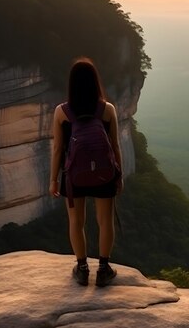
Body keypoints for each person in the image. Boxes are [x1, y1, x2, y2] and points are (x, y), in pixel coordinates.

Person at [49, 57, 123, 287]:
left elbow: (58, 149)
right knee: (105, 221)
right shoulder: (107, 109)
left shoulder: (62, 112)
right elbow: (115, 145)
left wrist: (53, 179)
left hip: (74, 177)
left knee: (76, 221)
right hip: (103, 174)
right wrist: (118, 176)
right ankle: (103, 269)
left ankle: (82, 269)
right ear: (95, 82)